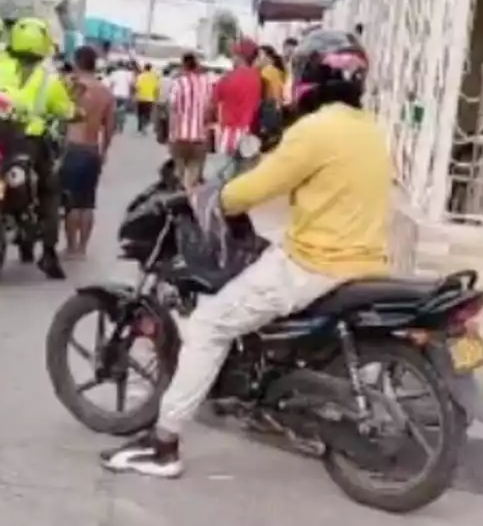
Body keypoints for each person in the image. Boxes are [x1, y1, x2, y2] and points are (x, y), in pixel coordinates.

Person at [99, 29, 392, 478]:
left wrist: (210, 198)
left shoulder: (316, 130)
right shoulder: (369, 130)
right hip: (365, 260)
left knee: (209, 326)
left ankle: (164, 445)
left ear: (311, 74)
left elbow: (253, 188)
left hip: (315, 264)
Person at [0, 18, 74, 278]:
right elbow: (65, 110)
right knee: (50, 189)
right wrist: (74, 112)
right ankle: (49, 253)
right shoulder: (48, 78)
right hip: (28, 141)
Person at [59, 46, 114, 260]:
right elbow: (109, 127)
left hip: (72, 148)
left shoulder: (69, 87)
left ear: (76, 62)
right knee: (88, 201)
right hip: (92, 150)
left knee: (71, 202)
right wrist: (104, 150)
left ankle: (71, 246)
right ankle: (82, 248)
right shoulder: (105, 92)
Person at [211, 38, 264, 164]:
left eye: (234, 55)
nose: (232, 58)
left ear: (240, 56)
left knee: (227, 176)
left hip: (229, 134)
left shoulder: (227, 78)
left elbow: (213, 102)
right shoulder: (257, 78)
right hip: (250, 134)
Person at [167, 52, 213, 187]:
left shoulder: (178, 82)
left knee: (179, 171)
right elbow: (211, 105)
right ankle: (190, 195)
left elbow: (172, 106)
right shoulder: (207, 83)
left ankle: (180, 191)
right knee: (194, 173)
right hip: (200, 137)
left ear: (183, 65)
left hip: (180, 135)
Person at [107, 61, 135, 133]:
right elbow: (131, 84)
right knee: (122, 110)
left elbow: (111, 84)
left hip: (115, 94)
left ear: (117, 66)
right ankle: (121, 125)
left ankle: (115, 125)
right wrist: (131, 94)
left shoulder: (114, 73)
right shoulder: (129, 74)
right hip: (125, 94)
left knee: (114, 110)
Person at [133, 63, 159, 134]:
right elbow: (156, 89)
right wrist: (156, 98)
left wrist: (134, 96)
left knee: (140, 113)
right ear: (150, 69)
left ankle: (140, 128)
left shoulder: (140, 76)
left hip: (140, 98)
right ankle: (145, 125)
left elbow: (136, 87)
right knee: (147, 113)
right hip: (150, 99)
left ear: (144, 68)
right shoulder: (154, 77)